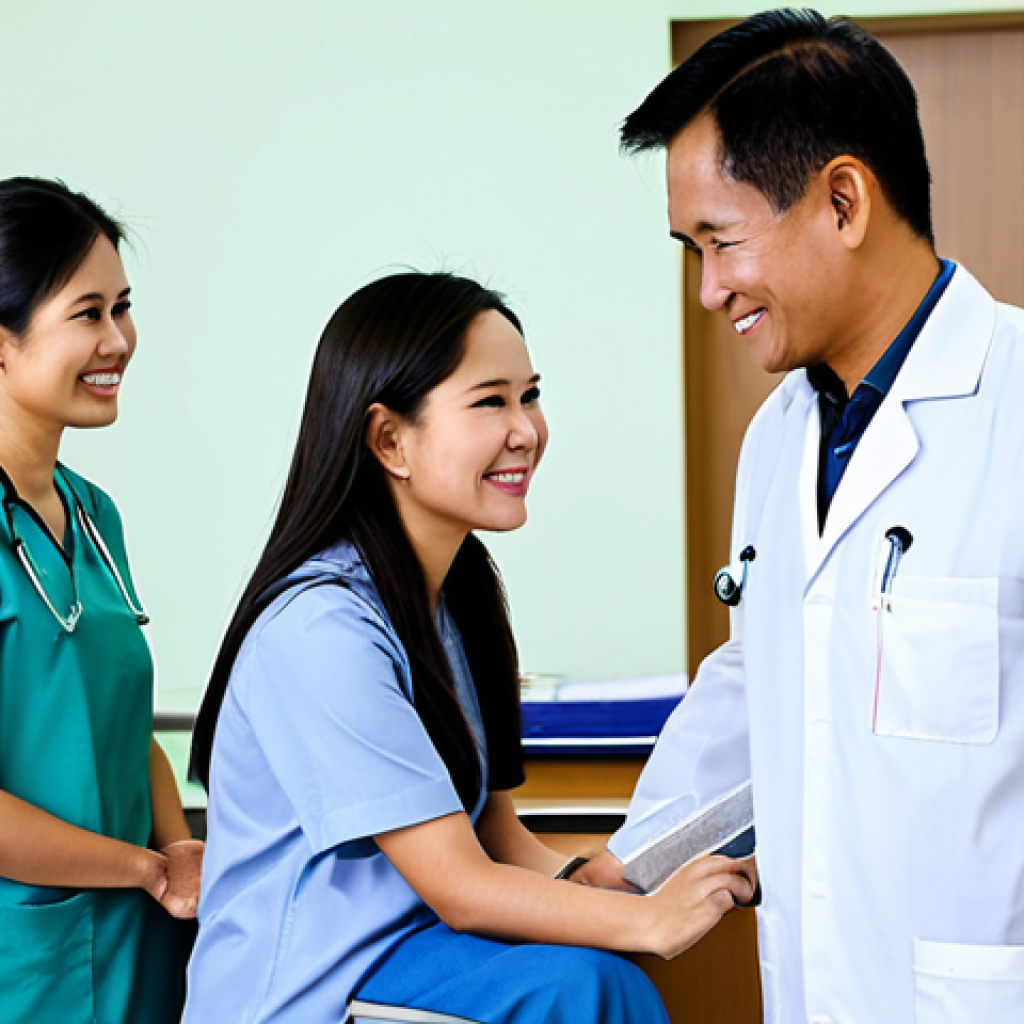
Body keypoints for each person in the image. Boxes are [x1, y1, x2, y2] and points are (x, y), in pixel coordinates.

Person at [575, 9, 1024, 1022]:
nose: (707, 289)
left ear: (842, 200)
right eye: (690, 249)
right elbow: (758, 682)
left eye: (720, 241)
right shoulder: (779, 439)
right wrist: (624, 869)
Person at [184, 271, 753, 1024]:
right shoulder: (319, 631)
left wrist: (598, 877)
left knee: (600, 965)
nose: (526, 429)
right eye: (490, 401)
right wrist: (648, 922)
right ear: (390, 439)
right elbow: (458, 884)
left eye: (530, 395)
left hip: (414, 956)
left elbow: (495, 833)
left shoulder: (461, 595)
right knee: (593, 987)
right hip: (310, 990)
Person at [0, 177, 203, 1023]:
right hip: (25, 961)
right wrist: (143, 868)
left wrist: (179, 845)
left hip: (139, 937)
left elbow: (129, 731)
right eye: (88, 314)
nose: (119, 340)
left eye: (123, 308)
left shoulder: (94, 515)